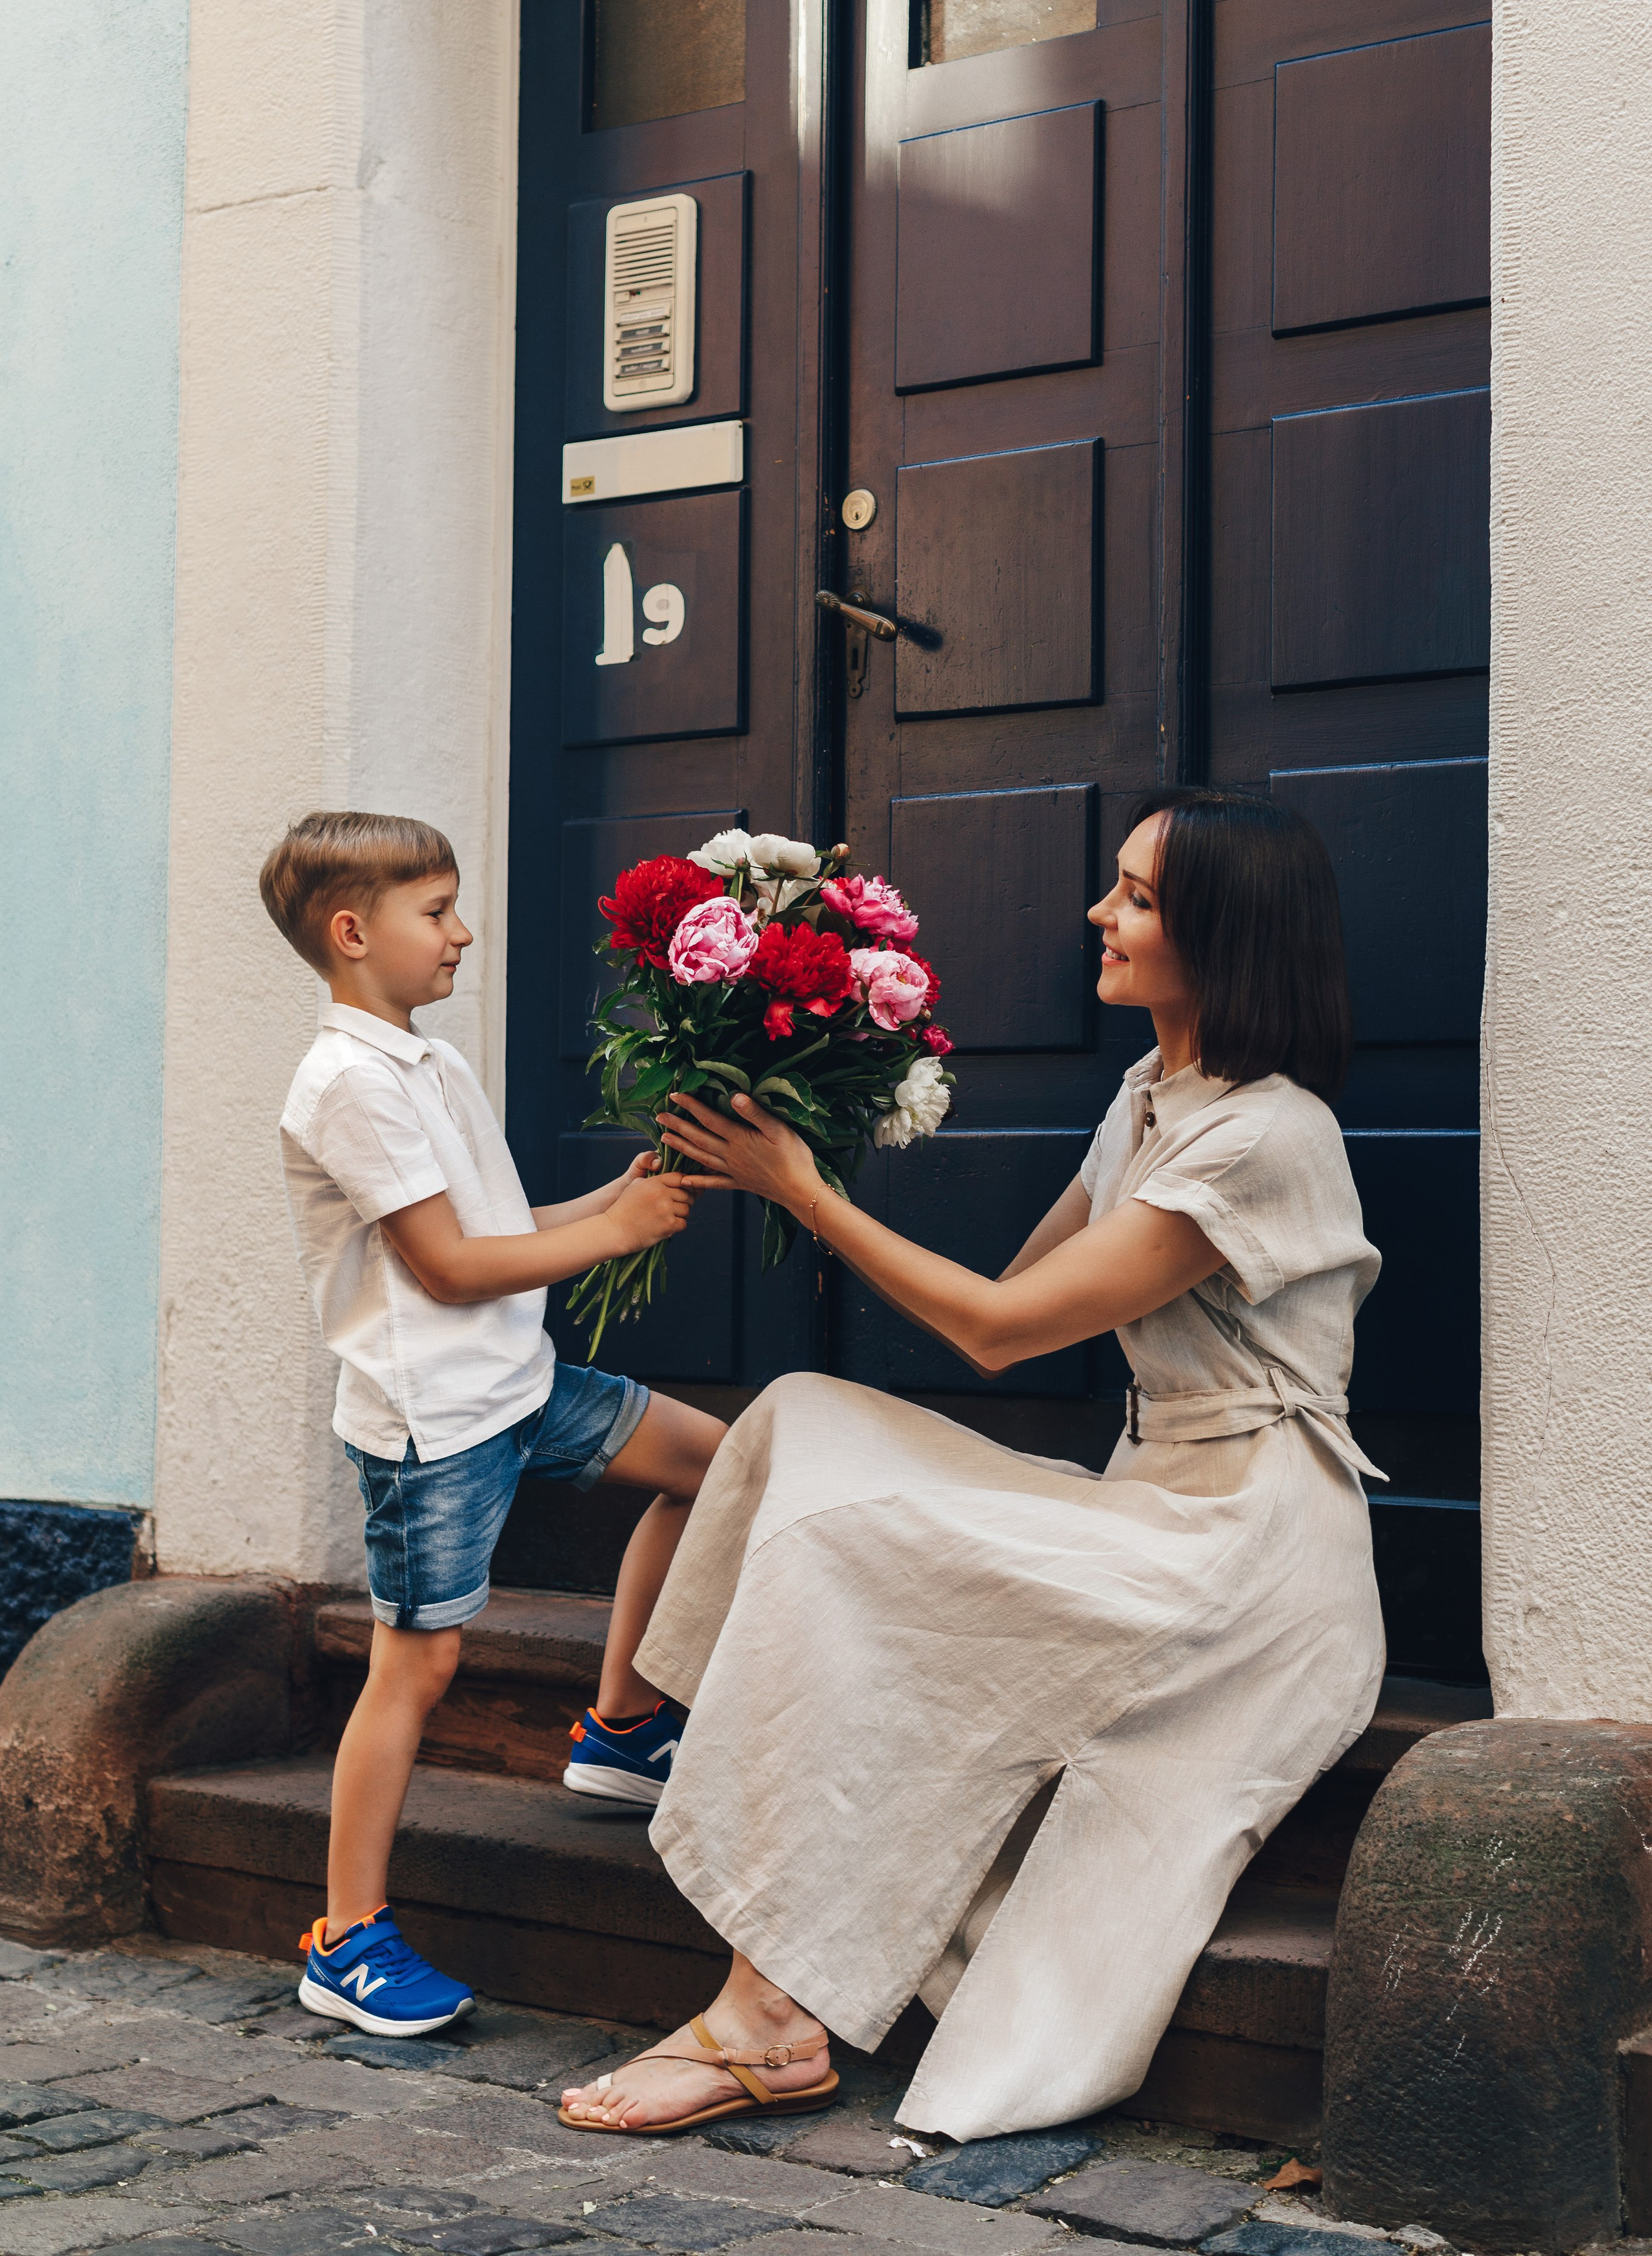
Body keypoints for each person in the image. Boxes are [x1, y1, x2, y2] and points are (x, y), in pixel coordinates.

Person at [559, 787, 1385, 2141]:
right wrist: (807, 1096)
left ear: (1224, 936)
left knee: (850, 1547)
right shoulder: (1149, 1099)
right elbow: (1018, 1285)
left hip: (1246, 1561)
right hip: (1154, 1504)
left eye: (1133, 896)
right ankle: (662, 1731)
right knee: (801, 1418)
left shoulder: (1268, 1135)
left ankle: (763, 2019)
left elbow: (998, 1335)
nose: (1095, 914)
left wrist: (801, 1193)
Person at [259, 811, 726, 2037]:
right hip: (435, 1422)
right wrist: (616, 1236)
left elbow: (501, 1225)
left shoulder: (425, 1061)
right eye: (439, 911)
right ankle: (345, 1937)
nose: (465, 933)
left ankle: (622, 1726)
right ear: (353, 933)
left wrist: (610, 1195)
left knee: (719, 1471)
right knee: (417, 1667)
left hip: (521, 1385)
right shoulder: (346, 1084)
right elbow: (453, 1267)